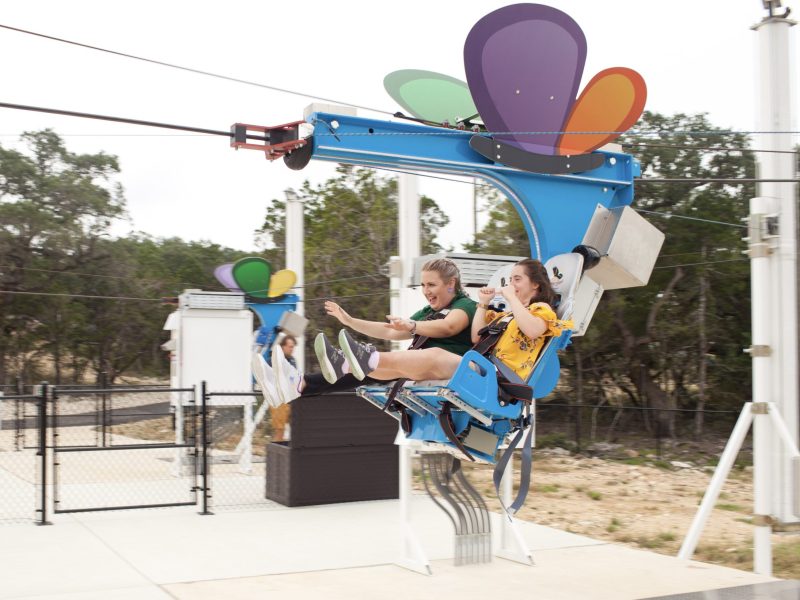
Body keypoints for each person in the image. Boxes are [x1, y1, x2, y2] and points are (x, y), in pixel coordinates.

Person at [255, 258, 477, 406]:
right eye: (423, 285)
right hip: (421, 367)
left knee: (425, 354)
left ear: (451, 283)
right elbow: (390, 331)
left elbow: (449, 326)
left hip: (455, 367)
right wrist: (350, 321)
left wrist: (412, 326)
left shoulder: (465, 305)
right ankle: (295, 385)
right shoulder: (429, 311)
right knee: (362, 368)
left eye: (432, 285)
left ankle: (356, 358)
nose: (426, 291)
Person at [329, 258, 571, 385]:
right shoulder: (507, 315)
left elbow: (532, 330)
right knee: (403, 368)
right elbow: (477, 337)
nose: (511, 284)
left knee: (434, 356)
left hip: (500, 376)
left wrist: (510, 298)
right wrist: (484, 305)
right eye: (510, 279)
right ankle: (349, 365)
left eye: (517, 279)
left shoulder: (541, 310)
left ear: (535, 284)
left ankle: (364, 357)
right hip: (483, 366)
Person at [267, 335, 296, 442]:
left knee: (295, 429)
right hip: (278, 400)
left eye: (293, 347)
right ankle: (276, 455)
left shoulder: (292, 360)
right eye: (290, 347)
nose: (292, 349)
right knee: (280, 430)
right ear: (283, 347)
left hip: (290, 400)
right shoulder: (273, 360)